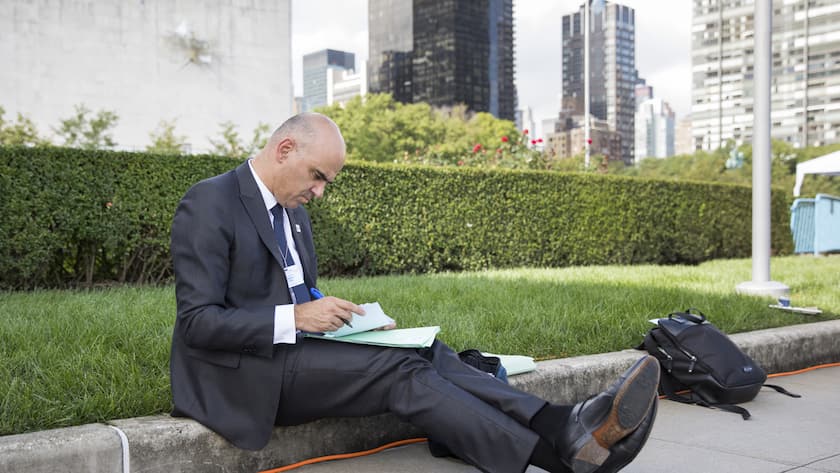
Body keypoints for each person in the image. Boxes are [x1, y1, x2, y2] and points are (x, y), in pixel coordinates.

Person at [169, 112, 660, 473]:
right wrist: (296, 318)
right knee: (399, 370)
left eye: (327, 182)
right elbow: (198, 323)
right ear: (284, 151)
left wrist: (348, 319)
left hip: (295, 351)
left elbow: (297, 288)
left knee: (421, 347)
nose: (320, 192)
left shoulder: (292, 210)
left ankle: (558, 423)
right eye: (318, 176)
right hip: (243, 373)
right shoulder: (209, 202)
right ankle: (557, 457)